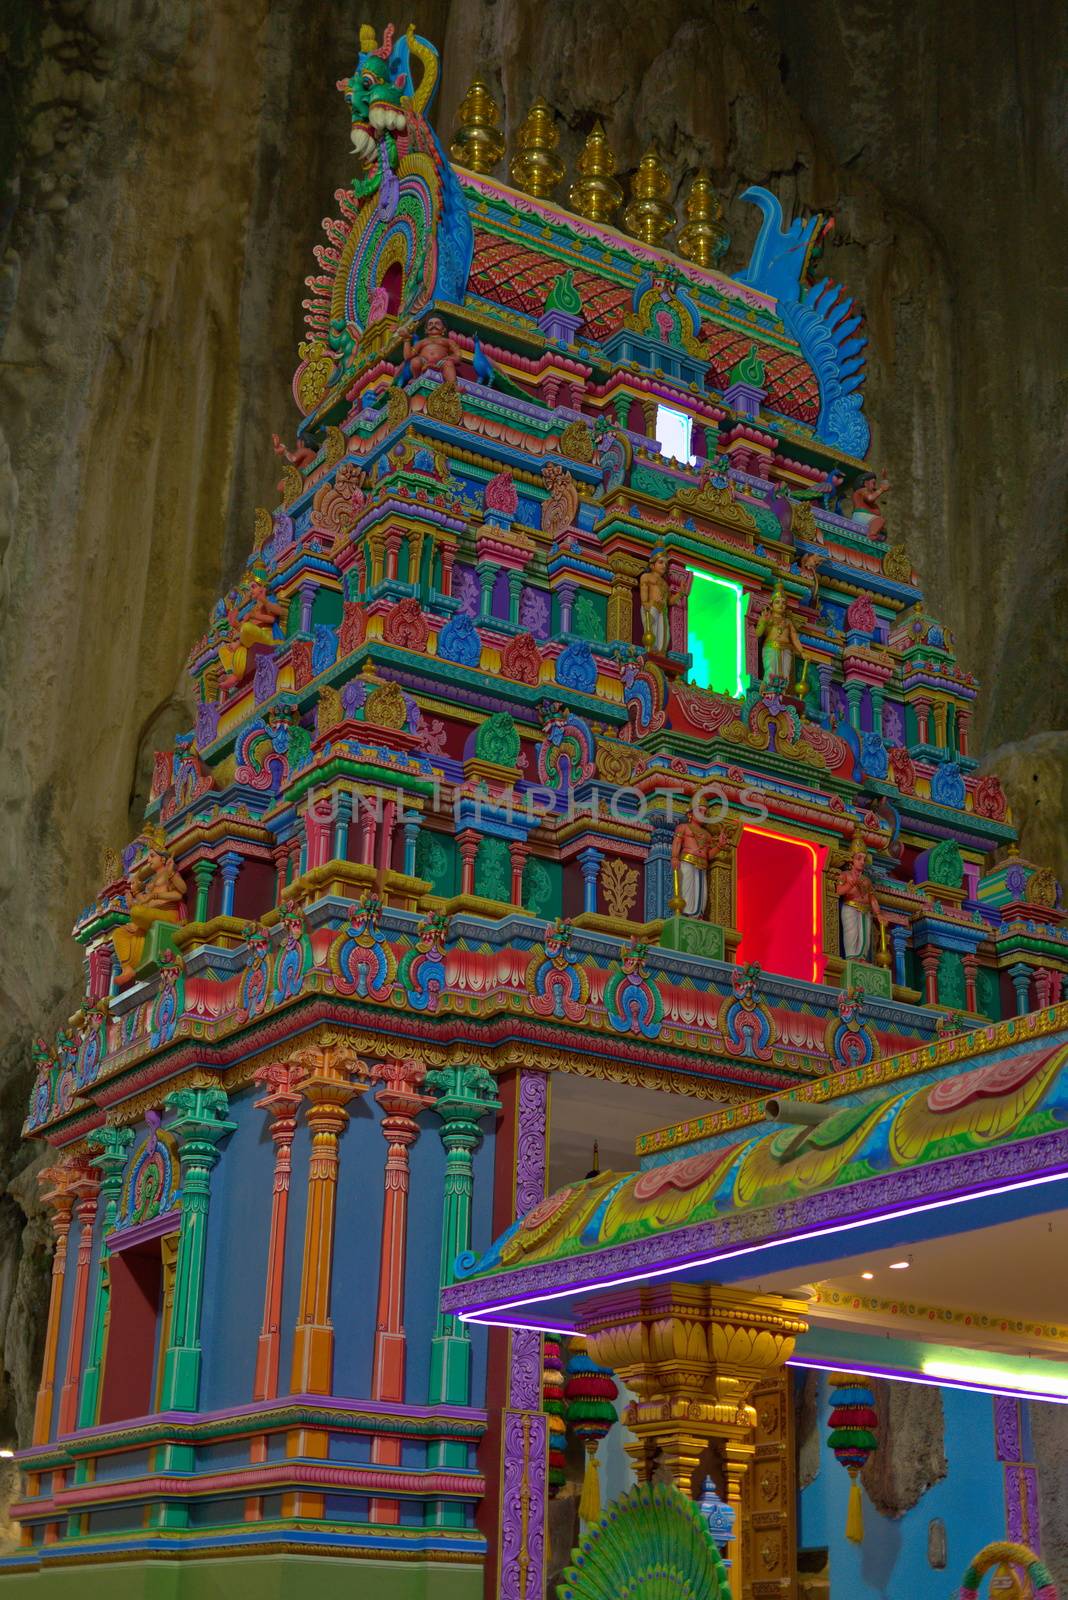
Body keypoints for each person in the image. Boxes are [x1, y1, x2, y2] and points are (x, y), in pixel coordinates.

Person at [112, 832, 186, 986]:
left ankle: (138, 924)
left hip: (168, 915)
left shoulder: (169, 873)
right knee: (119, 933)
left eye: (152, 856)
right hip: (152, 916)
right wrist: (135, 896)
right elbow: (145, 903)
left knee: (137, 913)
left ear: (163, 858)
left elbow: (181, 893)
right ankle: (127, 968)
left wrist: (157, 894)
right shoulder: (152, 881)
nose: (149, 859)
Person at [671, 805, 731, 919]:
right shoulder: (683, 827)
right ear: (690, 814)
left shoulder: (707, 835)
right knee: (687, 889)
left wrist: (719, 846)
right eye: (699, 810)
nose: (702, 814)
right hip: (687, 861)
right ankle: (686, 914)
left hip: (703, 865)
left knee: (701, 892)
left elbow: (708, 855)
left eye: (704, 812)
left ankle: (698, 915)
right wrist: (674, 857)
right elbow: (677, 842)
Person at [836, 845, 885, 960]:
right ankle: (851, 957)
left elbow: (871, 897)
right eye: (859, 858)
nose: (862, 862)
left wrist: (878, 914)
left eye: (864, 859)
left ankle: (862, 958)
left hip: (866, 911)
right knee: (852, 934)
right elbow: (838, 891)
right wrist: (850, 885)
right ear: (851, 860)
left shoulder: (866, 880)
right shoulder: (845, 875)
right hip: (850, 907)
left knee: (865, 937)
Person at [403, 315, 463, 384]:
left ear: (444, 329)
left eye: (437, 323)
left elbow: (458, 355)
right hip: (424, 363)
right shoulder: (422, 342)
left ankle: (453, 385)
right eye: (430, 324)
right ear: (426, 330)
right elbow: (408, 356)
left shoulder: (448, 341)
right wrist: (406, 340)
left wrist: (450, 358)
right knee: (415, 361)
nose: (433, 325)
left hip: (441, 363)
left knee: (449, 363)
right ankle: (416, 378)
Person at [639, 551, 679, 653]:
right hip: (652, 607)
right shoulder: (647, 576)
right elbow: (643, 588)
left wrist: (681, 594)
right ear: (652, 565)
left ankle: (660, 654)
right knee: (653, 632)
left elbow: (669, 601)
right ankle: (652, 652)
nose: (664, 566)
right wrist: (645, 603)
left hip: (663, 611)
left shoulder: (665, 584)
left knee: (664, 636)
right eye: (661, 562)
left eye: (665, 564)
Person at [851, 471, 890, 539]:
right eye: (873, 483)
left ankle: (874, 532)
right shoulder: (862, 490)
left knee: (882, 528)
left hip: (866, 518)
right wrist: (881, 490)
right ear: (866, 483)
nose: (875, 487)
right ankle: (871, 535)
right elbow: (870, 498)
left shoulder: (864, 492)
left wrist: (885, 479)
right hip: (862, 516)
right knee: (880, 520)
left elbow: (887, 487)